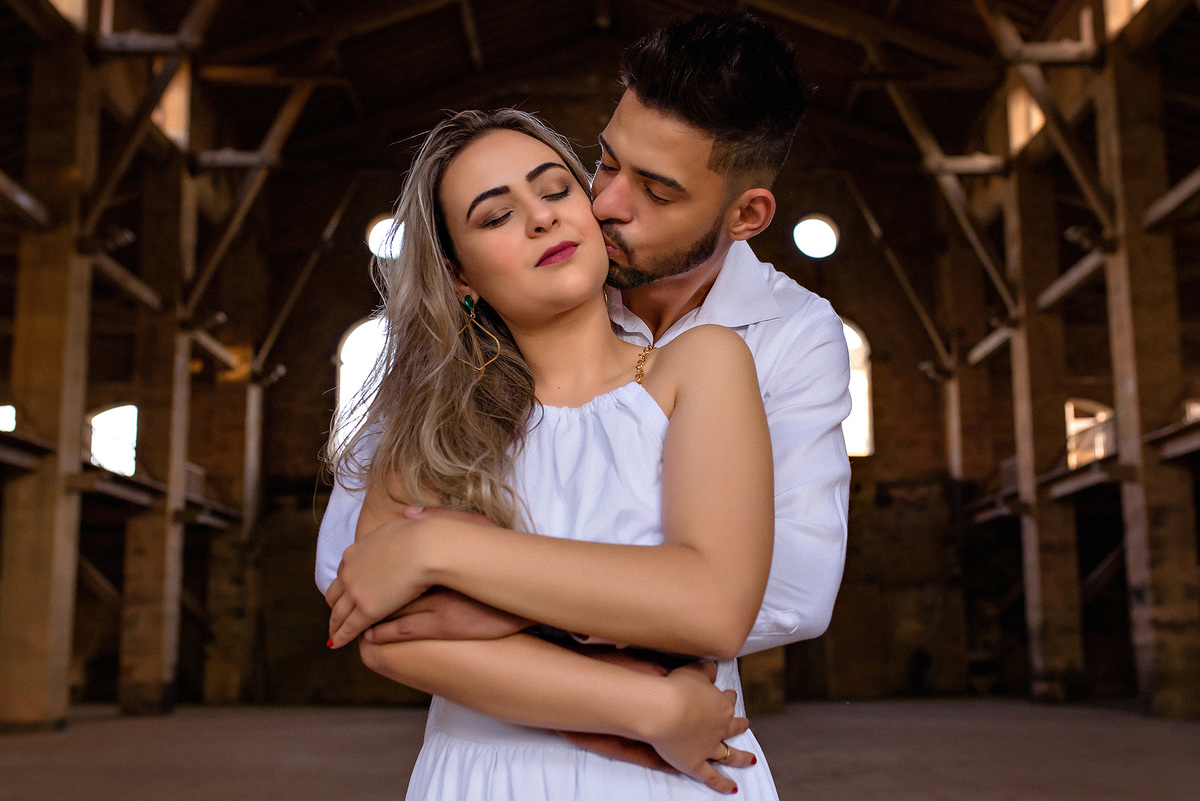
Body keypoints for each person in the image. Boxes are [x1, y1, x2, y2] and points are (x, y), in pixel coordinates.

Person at [319, 7, 851, 794]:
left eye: (656, 191)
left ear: (745, 215)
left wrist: (456, 565)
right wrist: (642, 699)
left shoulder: (754, 346)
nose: (602, 205)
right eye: (602, 164)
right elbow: (362, 585)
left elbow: (772, 592)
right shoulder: (446, 393)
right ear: (459, 275)